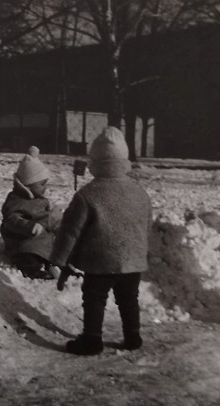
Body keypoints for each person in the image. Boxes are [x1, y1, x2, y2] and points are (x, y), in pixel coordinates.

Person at [50, 127, 152, 355]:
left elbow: (70, 231)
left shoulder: (88, 194)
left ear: (94, 161)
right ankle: (133, 336)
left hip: (100, 261)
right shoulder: (140, 193)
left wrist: (59, 259)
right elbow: (147, 226)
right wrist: (141, 253)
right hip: (132, 261)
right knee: (128, 299)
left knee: (95, 299)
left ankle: (92, 339)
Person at [0, 146, 61, 280]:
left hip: (41, 240)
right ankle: (32, 269)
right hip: (22, 241)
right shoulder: (16, 200)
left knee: (57, 247)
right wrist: (28, 226)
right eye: (42, 184)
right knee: (28, 255)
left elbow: (49, 218)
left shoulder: (41, 200)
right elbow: (11, 219)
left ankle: (57, 264)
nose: (46, 188)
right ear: (28, 185)